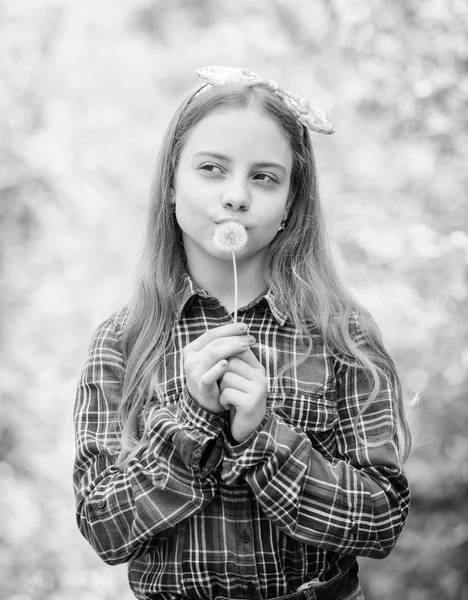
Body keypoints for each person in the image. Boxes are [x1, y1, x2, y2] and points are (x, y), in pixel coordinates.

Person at [73, 66, 411, 600]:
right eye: (211, 169)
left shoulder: (342, 335)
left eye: (264, 177)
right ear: (170, 184)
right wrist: (189, 421)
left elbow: (381, 520)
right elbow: (103, 528)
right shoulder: (123, 340)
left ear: (290, 206)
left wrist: (262, 436)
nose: (236, 196)